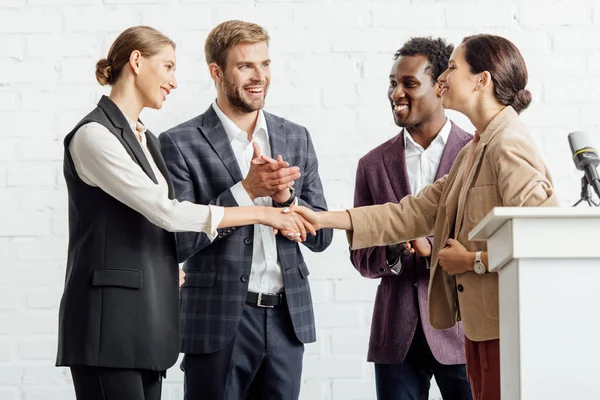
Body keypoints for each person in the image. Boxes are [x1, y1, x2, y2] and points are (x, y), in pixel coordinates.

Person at [292, 34, 559, 400]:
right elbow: (412, 212)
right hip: (482, 329)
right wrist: (322, 220)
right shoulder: (476, 150)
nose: (445, 78)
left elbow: (544, 239)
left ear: (481, 80)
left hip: (504, 327)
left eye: (452, 68)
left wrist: (471, 261)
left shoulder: (508, 142)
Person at [56, 25, 308, 400]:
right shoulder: (94, 135)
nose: (174, 81)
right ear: (137, 62)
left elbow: (152, 225)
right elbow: (168, 212)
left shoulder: (147, 139)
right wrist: (261, 212)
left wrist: (166, 262)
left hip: (147, 320)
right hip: (108, 324)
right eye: (169, 67)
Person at [159, 20, 333, 400]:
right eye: (246, 66)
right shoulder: (178, 142)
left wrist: (287, 200)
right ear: (216, 72)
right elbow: (179, 240)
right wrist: (245, 191)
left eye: (265, 64)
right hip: (217, 321)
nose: (260, 77)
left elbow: (322, 237)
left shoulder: (295, 136)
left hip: (287, 320)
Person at [351, 37, 473, 400]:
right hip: (396, 333)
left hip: (462, 331)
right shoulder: (372, 165)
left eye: (409, 83)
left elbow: (489, 239)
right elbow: (360, 257)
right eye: (392, 83)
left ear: (440, 86)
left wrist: (430, 246)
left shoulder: (477, 152)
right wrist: (392, 249)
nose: (396, 93)